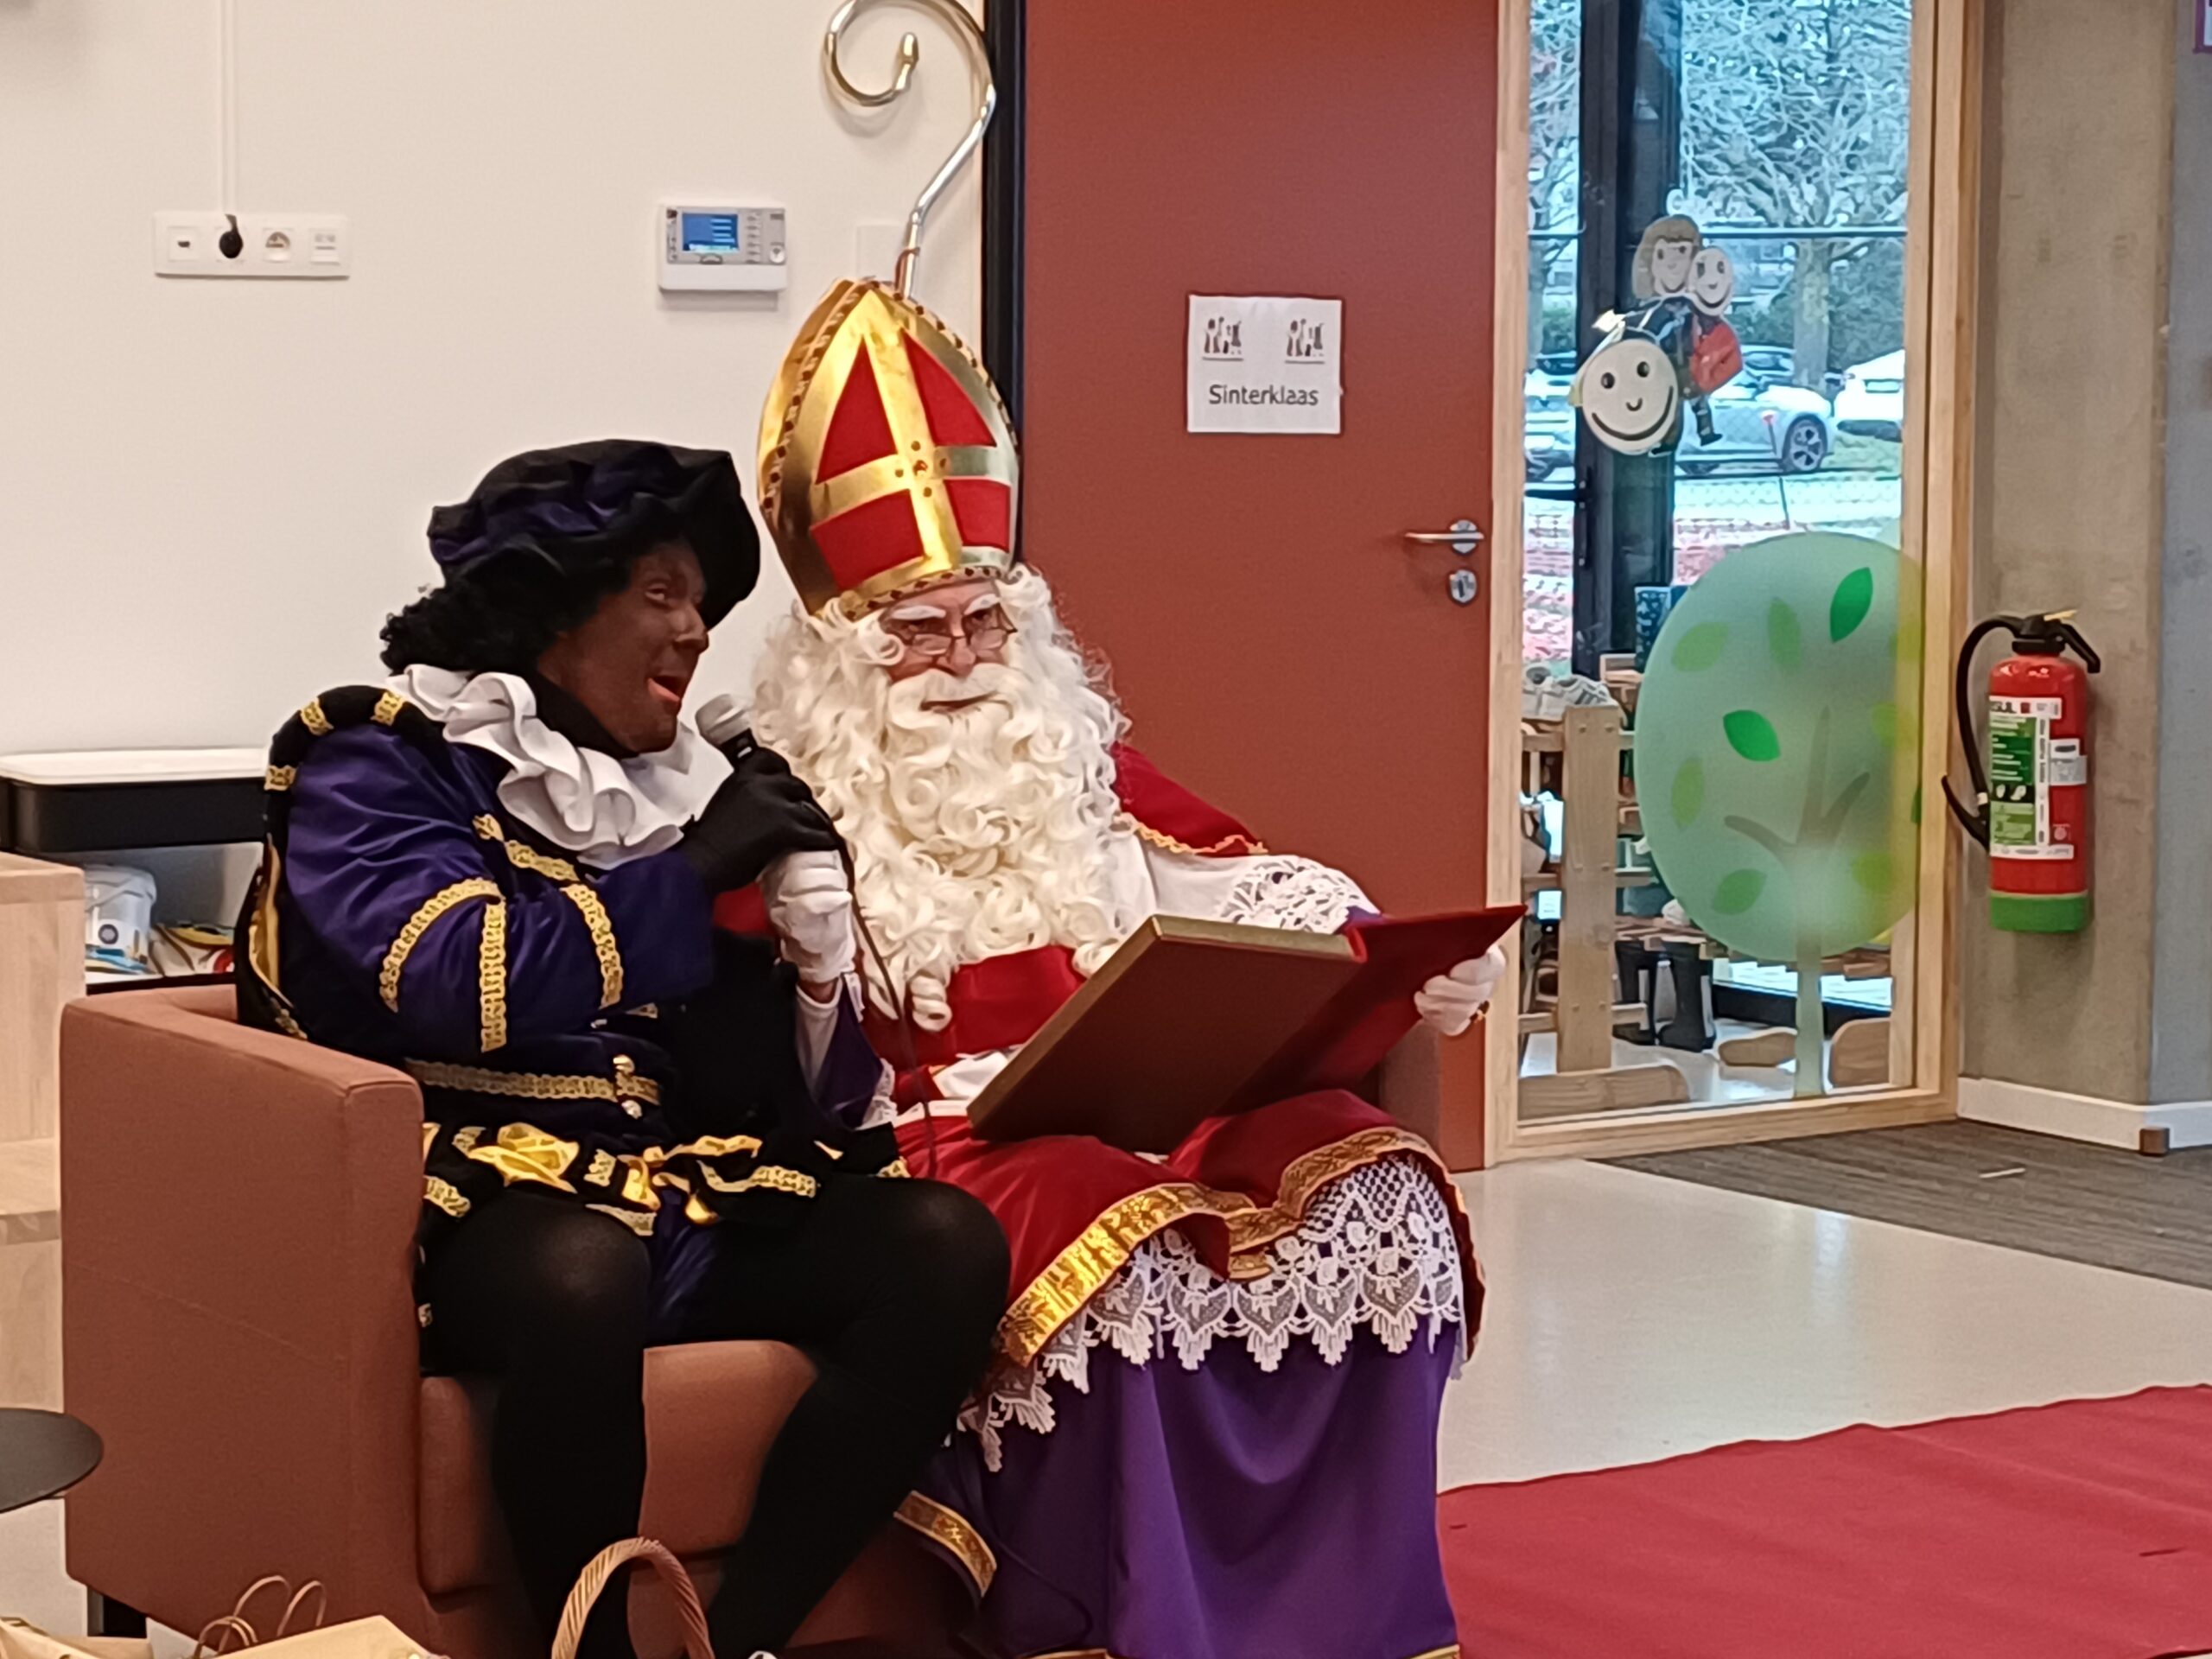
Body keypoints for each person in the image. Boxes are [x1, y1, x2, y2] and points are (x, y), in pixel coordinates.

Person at [741, 281, 1504, 1659]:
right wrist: (815, 964)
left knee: (1369, 1176)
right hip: (932, 1141)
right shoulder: (778, 805)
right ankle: (1126, 1625)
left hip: (1145, 1107)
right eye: (917, 632)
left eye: (984, 622)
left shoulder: (1070, 754)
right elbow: (759, 1073)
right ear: (839, 654)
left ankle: (1350, 1617)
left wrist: (1393, 969)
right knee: (1117, 1224)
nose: (962, 663)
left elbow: (1245, 887)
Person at [234, 440, 1008, 1659]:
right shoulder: (380, 757)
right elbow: (453, 980)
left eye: (702, 602)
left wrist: (811, 975)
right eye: (660, 593)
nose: (696, 631)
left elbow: (769, 1104)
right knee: (580, 1271)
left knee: (942, 1245)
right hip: (463, 1198)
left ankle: (739, 1639)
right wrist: (692, 875)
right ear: (552, 609)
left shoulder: (674, 789)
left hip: (667, 1187)